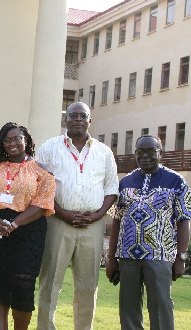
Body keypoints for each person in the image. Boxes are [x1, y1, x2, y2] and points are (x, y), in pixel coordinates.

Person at [36, 102, 118, 330]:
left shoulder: (103, 152)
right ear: (65, 120)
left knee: (88, 285)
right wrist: (62, 214)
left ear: (90, 120)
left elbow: (112, 188)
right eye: (73, 115)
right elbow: (40, 187)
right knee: (50, 282)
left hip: (92, 226)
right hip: (57, 222)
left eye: (83, 116)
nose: (78, 119)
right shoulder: (50, 148)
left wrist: (97, 216)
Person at [106, 135, 191, 330]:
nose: (145, 156)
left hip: (160, 256)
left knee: (161, 306)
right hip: (128, 257)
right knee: (128, 308)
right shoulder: (126, 182)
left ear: (160, 153)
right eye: (140, 152)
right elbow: (116, 221)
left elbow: (184, 221)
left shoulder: (176, 181)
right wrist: (112, 258)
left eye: (150, 152)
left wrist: (181, 258)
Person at [0, 122, 55, 330]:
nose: (12, 143)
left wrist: (14, 224)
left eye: (17, 139)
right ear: (1, 144)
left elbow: (42, 205)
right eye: (7, 140)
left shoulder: (42, 169)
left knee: (22, 287)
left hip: (27, 232)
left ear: (26, 141)